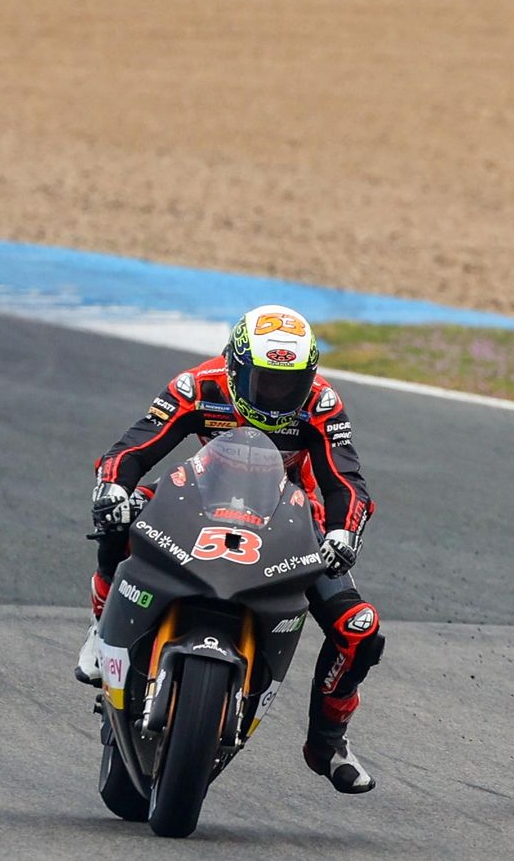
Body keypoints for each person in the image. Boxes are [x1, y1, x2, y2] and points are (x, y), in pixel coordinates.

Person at [79, 304, 382, 793]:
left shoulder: (322, 404)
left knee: (359, 630)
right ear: (236, 365)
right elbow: (134, 446)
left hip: (292, 516)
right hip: (201, 494)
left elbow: (346, 481)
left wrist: (344, 533)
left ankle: (327, 743)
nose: (278, 395)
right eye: (267, 381)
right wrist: (113, 486)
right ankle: (100, 626)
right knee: (119, 512)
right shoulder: (198, 386)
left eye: (291, 383)